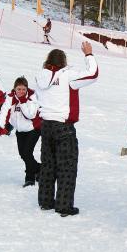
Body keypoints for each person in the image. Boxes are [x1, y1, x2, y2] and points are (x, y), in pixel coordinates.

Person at [35, 42, 98, 217]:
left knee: (48, 165)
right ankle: (63, 205)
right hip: (63, 126)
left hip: (46, 125)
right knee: (67, 167)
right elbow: (93, 74)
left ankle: (45, 201)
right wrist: (89, 55)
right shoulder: (68, 76)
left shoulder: (40, 76)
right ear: (64, 61)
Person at [0, 77, 41, 187]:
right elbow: (3, 112)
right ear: (14, 89)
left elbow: (30, 114)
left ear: (27, 89)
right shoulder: (10, 98)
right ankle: (39, 171)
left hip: (33, 129)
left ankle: (31, 178)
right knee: (23, 154)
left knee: (26, 153)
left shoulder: (32, 97)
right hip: (20, 130)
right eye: (18, 89)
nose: (21, 91)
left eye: (23, 89)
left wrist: (23, 101)